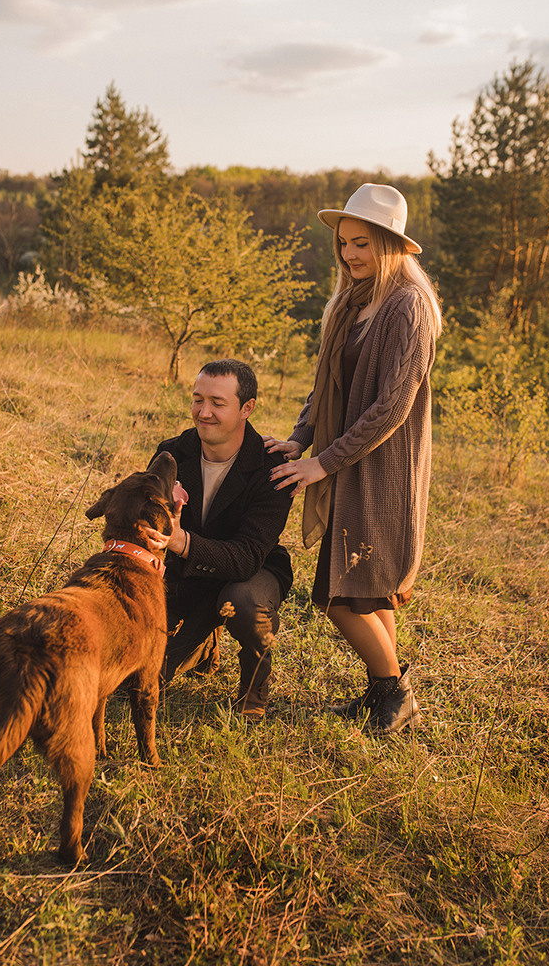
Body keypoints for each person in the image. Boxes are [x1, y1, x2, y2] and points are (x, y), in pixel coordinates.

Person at [265, 183, 442, 733]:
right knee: (368, 590)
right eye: (343, 243)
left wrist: (322, 462)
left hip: (384, 471)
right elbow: (327, 386)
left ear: (389, 244)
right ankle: (381, 692)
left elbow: (392, 407)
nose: (348, 254)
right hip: (348, 462)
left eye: (361, 243)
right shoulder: (353, 301)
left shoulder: (409, 306)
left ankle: (395, 692)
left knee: (342, 595)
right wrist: (301, 438)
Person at [150, 359, 293, 720]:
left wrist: (181, 541)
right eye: (198, 399)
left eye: (217, 403)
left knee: (243, 602)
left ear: (247, 408)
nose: (204, 412)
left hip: (251, 574)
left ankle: (254, 689)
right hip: (187, 574)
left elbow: (247, 556)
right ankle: (200, 647)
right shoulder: (172, 453)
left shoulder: (272, 468)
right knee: (141, 678)